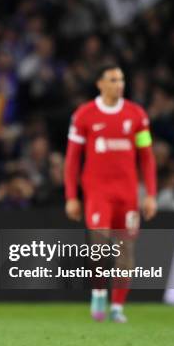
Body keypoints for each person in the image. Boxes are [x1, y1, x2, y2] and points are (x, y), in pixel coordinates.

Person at [64, 64, 156, 323]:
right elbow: (72, 159)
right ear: (100, 83)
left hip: (127, 195)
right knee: (100, 248)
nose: (119, 84)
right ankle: (98, 293)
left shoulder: (136, 115)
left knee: (126, 250)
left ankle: (117, 307)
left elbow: (146, 157)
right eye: (113, 80)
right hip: (98, 193)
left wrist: (150, 193)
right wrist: (72, 196)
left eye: (121, 79)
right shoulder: (84, 115)